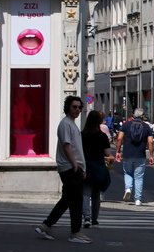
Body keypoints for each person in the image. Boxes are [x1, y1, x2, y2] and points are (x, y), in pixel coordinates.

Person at [35, 96, 90, 243]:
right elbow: (67, 145)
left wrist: (80, 167)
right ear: (68, 108)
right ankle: (73, 232)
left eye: (79, 107)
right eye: (74, 107)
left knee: (69, 199)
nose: (77, 110)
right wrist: (75, 165)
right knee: (76, 200)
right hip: (70, 167)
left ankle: (48, 225)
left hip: (73, 167)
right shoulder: (65, 124)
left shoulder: (71, 124)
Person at [81, 109, 115, 227]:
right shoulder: (102, 136)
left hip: (85, 165)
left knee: (85, 193)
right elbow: (107, 153)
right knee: (96, 194)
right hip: (98, 165)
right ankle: (95, 219)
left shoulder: (82, 134)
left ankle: (86, 217)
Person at [116, 109, 154, 205]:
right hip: (140, 155)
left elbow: (119, 138)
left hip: (127, 154)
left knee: (128, 173)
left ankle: (128, 188)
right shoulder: (146, 127)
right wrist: (151, 155)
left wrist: (118, 151)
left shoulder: (126, 125)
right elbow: (150, 142)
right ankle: (138, 199)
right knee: (139, 177)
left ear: (133, 115)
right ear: (142, 116)